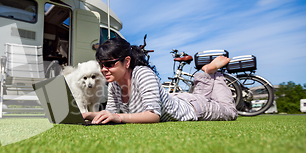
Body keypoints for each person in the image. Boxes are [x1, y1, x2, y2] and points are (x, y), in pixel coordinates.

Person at [82, 37, 237, 124]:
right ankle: (205, 73)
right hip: (176, 100)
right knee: (202, 93)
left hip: (194, 108)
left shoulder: (143, 74)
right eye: (101, 65)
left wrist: (120, 117)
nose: (103, 69)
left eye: (109, 64)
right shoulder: (114, 84)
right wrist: (87, 115)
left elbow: (153, 115)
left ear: (127, 62)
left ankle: (209, 70)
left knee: (230, 113)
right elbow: (110, 113)